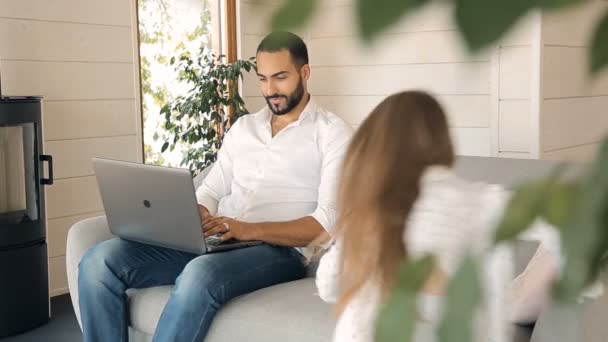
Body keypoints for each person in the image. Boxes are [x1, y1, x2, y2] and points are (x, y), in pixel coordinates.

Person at [78, 31, 353, 342]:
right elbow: (212, 187)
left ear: (305, 73)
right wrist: (195, 213)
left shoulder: (333, 134)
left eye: (280, 77)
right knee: (97, 262)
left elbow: (325, 224)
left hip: (280, 252)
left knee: (199, 275)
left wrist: (248, 229)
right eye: (262, 79)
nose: (270, 89)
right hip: (220, 239)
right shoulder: (244, 128)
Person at [315, 91, 560, 342]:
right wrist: (521, 296)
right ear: (443, 142)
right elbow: (566, 224)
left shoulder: (367, 211)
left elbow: (328, 285)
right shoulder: (481, 203)